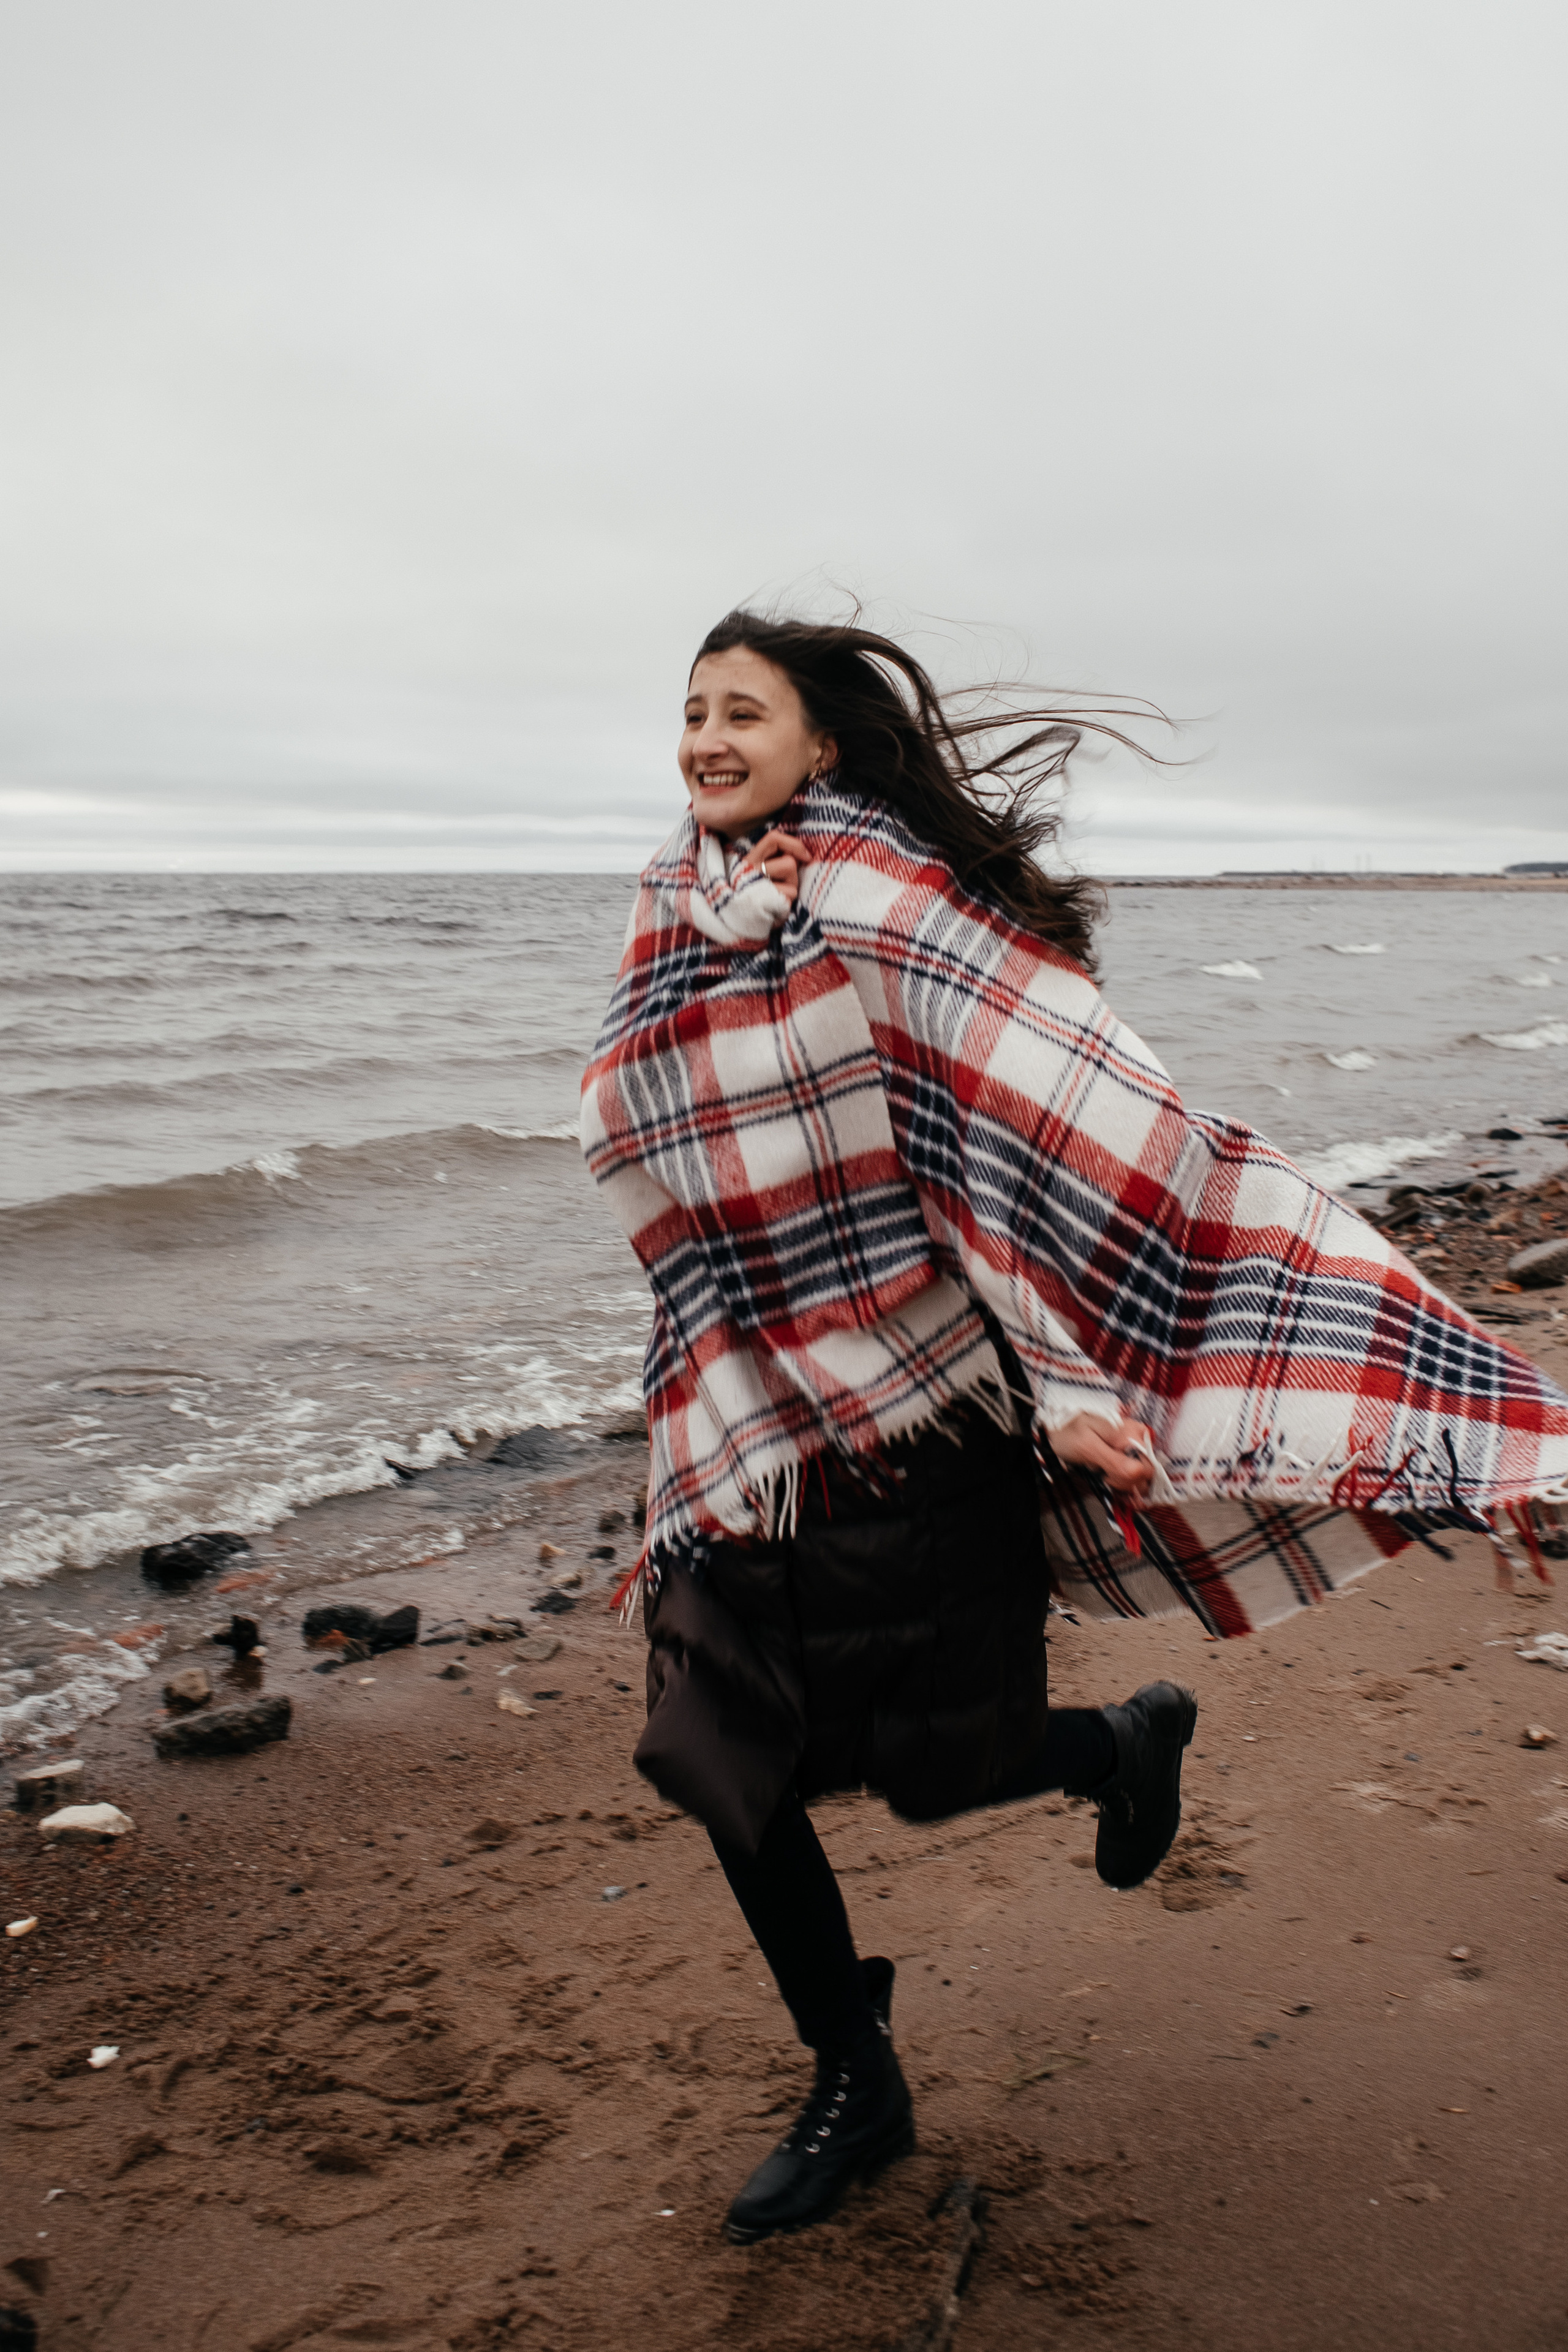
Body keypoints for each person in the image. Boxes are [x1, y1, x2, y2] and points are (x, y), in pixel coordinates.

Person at [580, 611, 1568, 2246]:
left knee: (934, 1763)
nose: (703, 736)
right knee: (724, 1762)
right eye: (688, 710)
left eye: (738, 709)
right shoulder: (671, 918)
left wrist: (1084, 1386)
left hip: (930, 1410)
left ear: (821, 743)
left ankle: (1121, 1743)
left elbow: (1031, 1142)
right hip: (739, 1412)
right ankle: (855, 2077)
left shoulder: (898, 907)